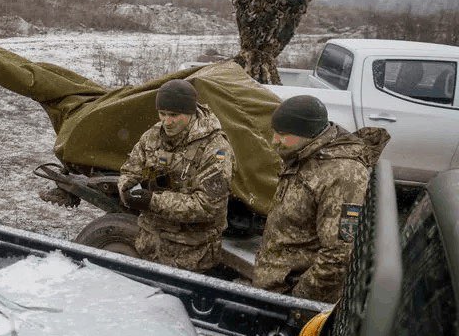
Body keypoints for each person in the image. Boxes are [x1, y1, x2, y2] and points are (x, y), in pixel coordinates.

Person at [252, 95, 390, 303]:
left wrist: (299, 300)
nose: (275, 140)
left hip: (292, 295)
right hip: (274, 284)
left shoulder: (343, 175)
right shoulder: (303, 153)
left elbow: (338, 256)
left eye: (282, 134)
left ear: (307, 133)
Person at [117, 79, 234, 273]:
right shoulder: (152, 137)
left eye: (174, 115)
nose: (166, 121)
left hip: (190, 256)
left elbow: (208, 206)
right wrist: (127, 189)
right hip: (149, 246)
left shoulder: (215, 149)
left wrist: (152, 201)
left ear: (190, 112)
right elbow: (130, 170)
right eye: (162, 114)